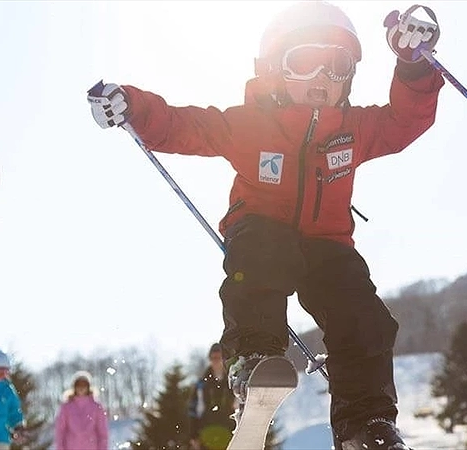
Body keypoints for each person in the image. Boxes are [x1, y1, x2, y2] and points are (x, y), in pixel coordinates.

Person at [87, 2, 443, 449]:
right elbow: (182, 125)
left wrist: (413, 68)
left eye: (336, 65)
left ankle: (366, 423)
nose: (322, 77)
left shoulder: (353, 129)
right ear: (275, 68)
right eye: (305, 61)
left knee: (362, 316)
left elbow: (404, 121)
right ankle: (255, 358)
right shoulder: (251, 125)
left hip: (329, 244)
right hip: (261, 230)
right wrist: (134, 106)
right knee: (263, 256)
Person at [187, 343, 237, 450]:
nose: (216, 361)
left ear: (223, 359)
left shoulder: (233, 383)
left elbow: (239, 408)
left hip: (228, 434)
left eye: (218, 358)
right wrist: (193, 436)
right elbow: (193, 411)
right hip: (206, 435)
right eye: (213, 358)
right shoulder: (201, 385)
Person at [54, 371, 110, 450]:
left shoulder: (97, 407)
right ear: (74, 387)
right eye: (78, 385)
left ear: (89, 387)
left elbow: (102, 433)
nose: (81, 388)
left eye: (84, 385)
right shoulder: (66, 408)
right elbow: (60, 432)